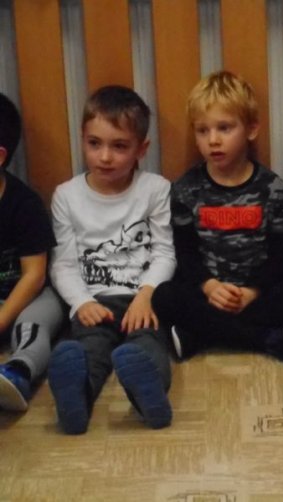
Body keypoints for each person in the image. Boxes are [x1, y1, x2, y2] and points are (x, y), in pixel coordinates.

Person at [151, 70, 283, 362]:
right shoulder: (186, 189)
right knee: (164, 296)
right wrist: (210, 286)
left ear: (251, 129)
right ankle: (271, 340)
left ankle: (200, 334)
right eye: (202, 131)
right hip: (207, 293)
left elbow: (282, 257)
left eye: (224, 128)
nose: (213, 140)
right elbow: (185, 253)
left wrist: (251, 291)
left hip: (256, 294)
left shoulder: (274, 189)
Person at [48, 85, 176, 434]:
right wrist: (82, 303)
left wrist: (147, 295)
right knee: (89, 349)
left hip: (141, 300)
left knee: (148, 347)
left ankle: (148, 398)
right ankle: (75, 400)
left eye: (119, 146)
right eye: (95, 143)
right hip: (94, 302)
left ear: (141, 149)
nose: (105, 156)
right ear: (82, 139)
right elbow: (63, 264)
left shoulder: (155, 189)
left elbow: (165, 252)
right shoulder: (66, 196)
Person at [0, 93, 64, 412]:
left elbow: (34, 275)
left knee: (35, 323)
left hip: (27, 296)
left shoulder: (24, 204)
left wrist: (1, 320)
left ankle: (18, 371)